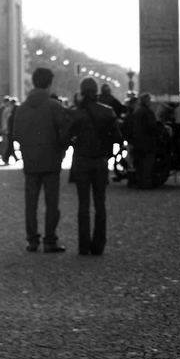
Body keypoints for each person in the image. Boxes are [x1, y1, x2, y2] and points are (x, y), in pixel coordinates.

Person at [12, 67, 71, 253]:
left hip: (30, 159)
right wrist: (62, 146)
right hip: (51, 158)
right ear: (49, 83)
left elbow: (16, 134)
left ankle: (32, 240)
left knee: (31, 202)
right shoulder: (54, 106)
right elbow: (67, 129)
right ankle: (49, 240)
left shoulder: (21, 108)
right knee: (52, 203)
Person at [68, 78, 119, 256]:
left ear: (82, 92)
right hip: (100, 160)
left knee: (83, 204)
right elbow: (118, 137)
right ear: (96, 91)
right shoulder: (108, 112)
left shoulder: (75, 113)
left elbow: (67, 137)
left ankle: (83, 245)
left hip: (82, 160)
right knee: (100, 203)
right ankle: (98, 245)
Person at [130, 92, 161, 189]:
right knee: (148, 163)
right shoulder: (148, 112)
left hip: (137, 141)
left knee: (139, 163)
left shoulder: (137, 111)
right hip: (147, 141)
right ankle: (146, 183)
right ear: (147, 101)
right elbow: (152, 126)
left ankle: (139, 182)